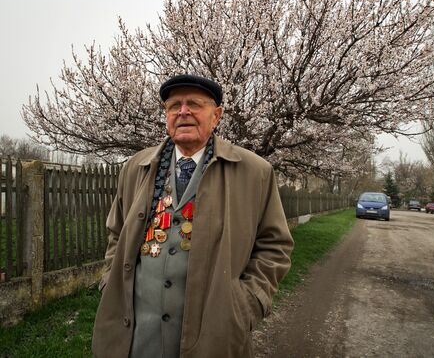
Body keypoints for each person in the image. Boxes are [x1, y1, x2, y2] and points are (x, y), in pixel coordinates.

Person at [92, 74, 294, 358]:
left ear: (217, 116)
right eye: (174, 106)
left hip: (215, 339)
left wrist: (246, 304)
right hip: (137, 339)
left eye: (194, 104)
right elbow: (116, 233)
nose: (183, 112)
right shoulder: (136, 167)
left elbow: (275, 247)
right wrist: (109, 282)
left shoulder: (254, 172)